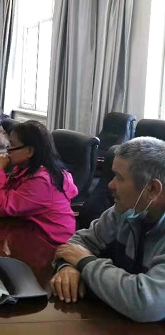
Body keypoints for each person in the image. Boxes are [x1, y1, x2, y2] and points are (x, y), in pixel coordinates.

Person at [50, 137, 165, 322]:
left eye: (119, 177)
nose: (110, 184)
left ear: (152, 189)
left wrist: (85, 263)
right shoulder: (127, 211)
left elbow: (147, 303)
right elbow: (78, 244)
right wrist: (68, 267)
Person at [0, 120, 78, 244]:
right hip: (25, 233)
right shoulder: (25, 170)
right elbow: (2, 197)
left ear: (30, 151)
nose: (7, 150)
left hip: (49, 244)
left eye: (12, 145)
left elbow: (1, 207)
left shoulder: (43, 182)